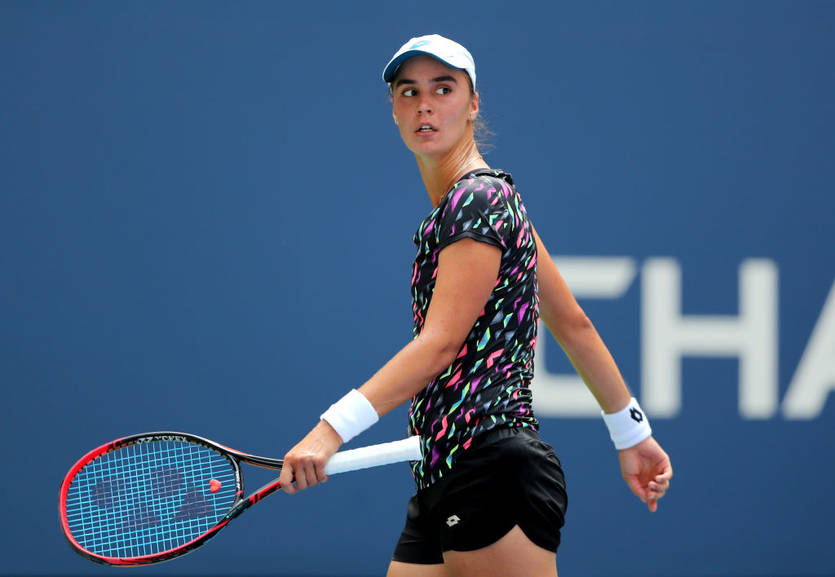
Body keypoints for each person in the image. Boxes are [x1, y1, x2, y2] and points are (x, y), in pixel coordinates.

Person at [277, 34, 673, 577]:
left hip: (492, 469)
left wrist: (330, 431)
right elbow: (572, 323)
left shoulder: (479, 200)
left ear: (473, 104)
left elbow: (439, 344)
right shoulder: (489, 202)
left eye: (443, 89)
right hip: (445, 471)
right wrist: (633, 435)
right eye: (409, 92)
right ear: (394, 110)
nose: (425, 105)